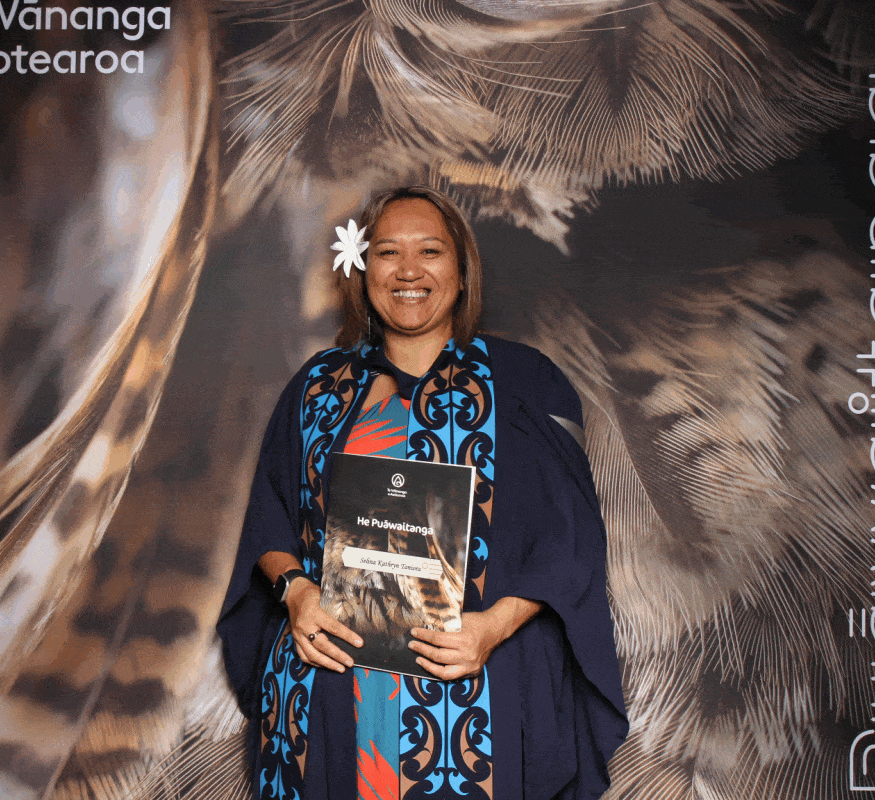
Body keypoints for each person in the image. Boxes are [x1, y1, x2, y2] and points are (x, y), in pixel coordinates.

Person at [218, 186, 627, 799]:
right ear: (364, 270)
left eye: (430, 251)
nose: (408, 271)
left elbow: (568, 538)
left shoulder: (524, 384)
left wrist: (491, 629)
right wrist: (297, 593)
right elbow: (270, 517)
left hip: (473, 696)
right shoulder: (318, 389)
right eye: (388, 252)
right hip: (329, 695)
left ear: (462, 272)